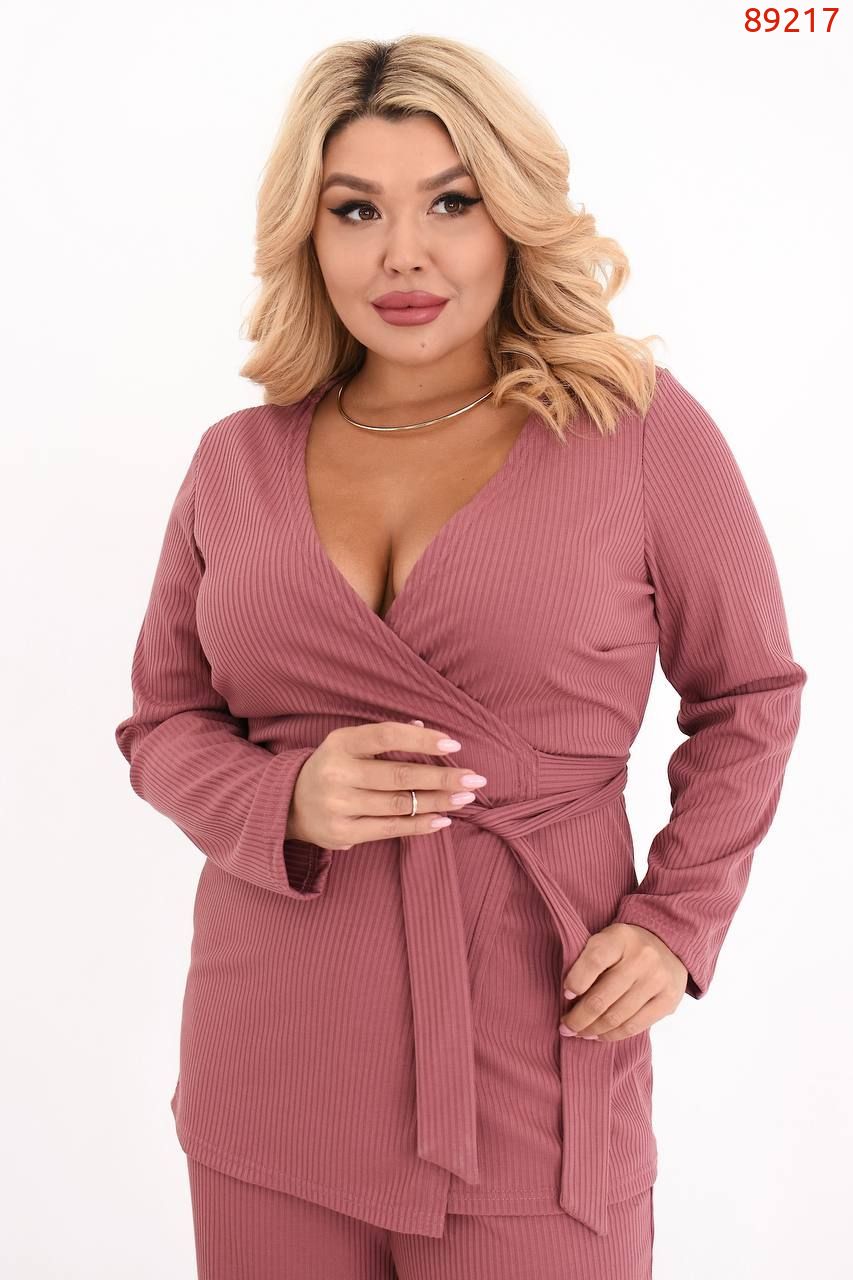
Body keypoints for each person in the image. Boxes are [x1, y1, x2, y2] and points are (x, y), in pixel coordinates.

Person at [113, 33, 807, 1280]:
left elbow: (750, 692)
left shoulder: (634, 428)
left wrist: (677, 920)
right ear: (307, 234)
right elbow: (162, 722)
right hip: (268, 1059)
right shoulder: (235, 462)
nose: (403, 253)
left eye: (450, 202)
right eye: (355, 210)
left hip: (535, 1042)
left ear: (513, 217)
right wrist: (284, 797)